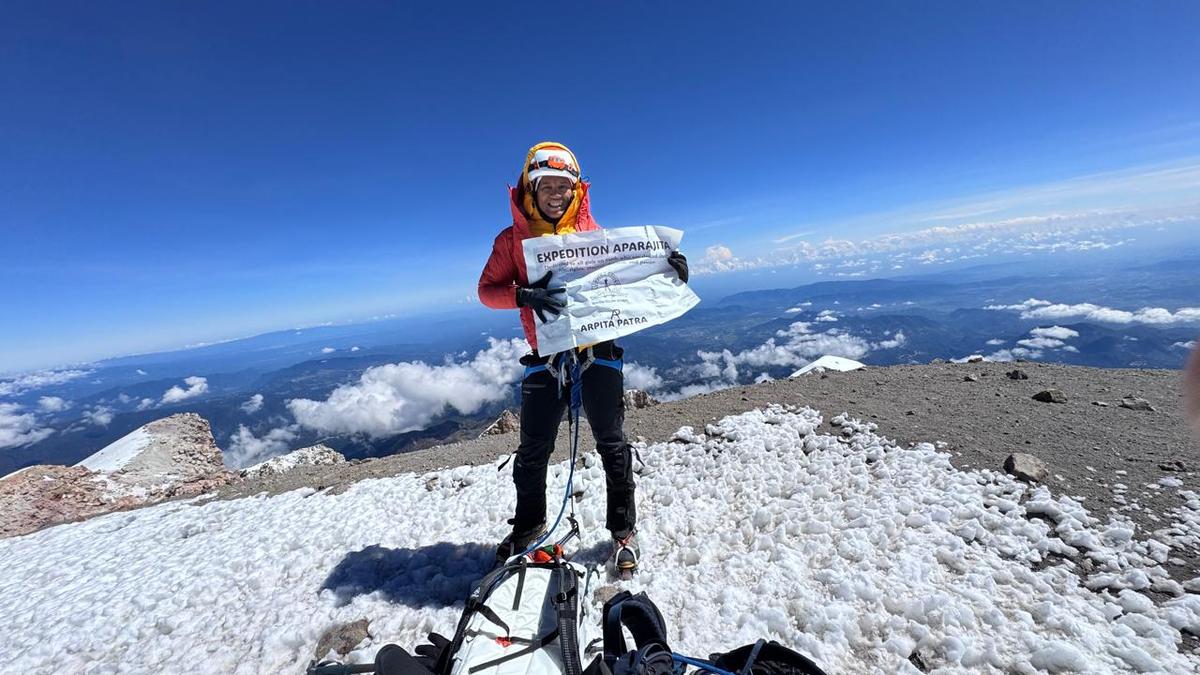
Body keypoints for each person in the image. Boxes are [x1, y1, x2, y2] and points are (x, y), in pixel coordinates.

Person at [477, 142, 689, 574]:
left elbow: (627, 272)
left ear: (575, 189)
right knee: (533, 449)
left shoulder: (595, 233)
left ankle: (623, 532)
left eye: (563, 185)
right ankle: (529, 528)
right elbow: (486, 290)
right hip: (547, 353)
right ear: (529, 189)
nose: (555, 193)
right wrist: (521, 294)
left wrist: (668, 267)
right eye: (545, 185)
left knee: (611, 441)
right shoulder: (511, 241)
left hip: (599, 348)